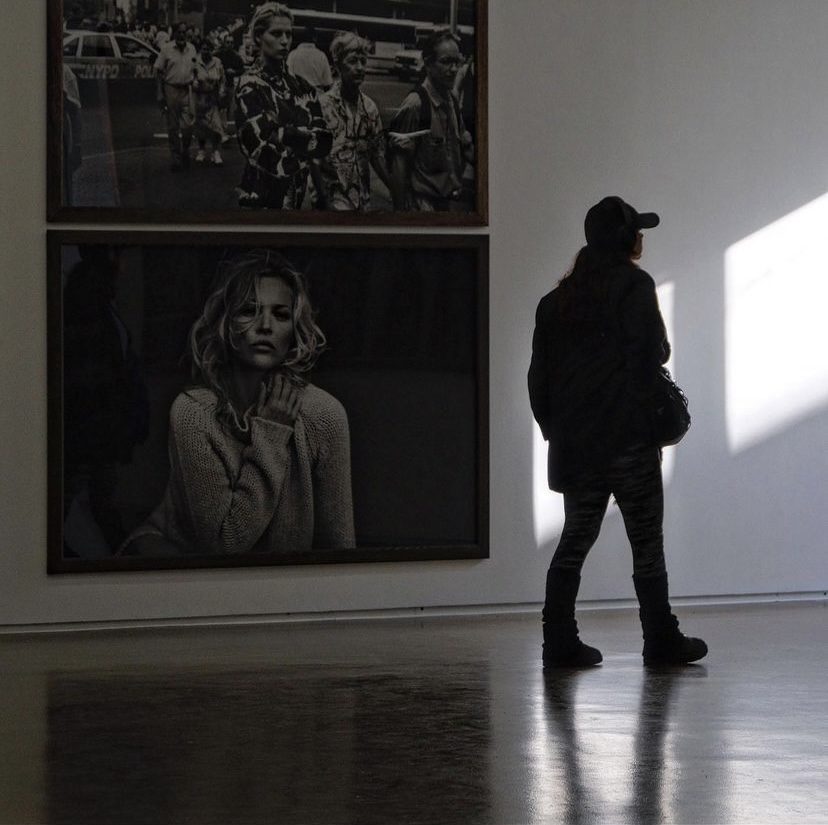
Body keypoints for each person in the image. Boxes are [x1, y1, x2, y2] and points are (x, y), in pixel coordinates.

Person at [528, 196, 708, 668]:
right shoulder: (634, 285)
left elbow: (538, 380)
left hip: (576, 447)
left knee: (575, 539)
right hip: (627, 441)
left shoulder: (554, 303)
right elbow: (653, 354)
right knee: (646, 542)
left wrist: (556, 431)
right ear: (626, 239)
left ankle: (558, 641)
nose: (642, 237)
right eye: (637, 231)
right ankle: (660, 639)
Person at [121, 249, 355, 557]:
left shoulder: (324, 415)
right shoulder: (193, 412)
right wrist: (271, 431)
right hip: (180, 564)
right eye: (248, 310)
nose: (265, 326)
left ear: (295, 329)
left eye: (281, 314)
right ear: (226, 324)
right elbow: (225, 545)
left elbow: (340, 552)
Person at [235, 3, 333, 209]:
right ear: (258, 37)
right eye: (276, 33)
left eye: (288, 34)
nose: (285, 41)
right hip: (260, 198)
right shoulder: (249, 85)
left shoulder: (301, 85)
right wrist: (306, 138)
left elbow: (324, 141)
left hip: (297, 197)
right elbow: (265, 154)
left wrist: (285, 134)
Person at [387, 29, 473, 212]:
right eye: (446, 62)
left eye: (457, 62)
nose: (454, 69)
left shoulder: (452, 101)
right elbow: (399, 166)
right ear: (428, 64)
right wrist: (401, 216)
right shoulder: (416, 104)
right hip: (421, 207)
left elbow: (465, 147)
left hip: (445, 205)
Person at [318, 32, 389, 211]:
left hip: (362, 203)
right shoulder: (323, 106)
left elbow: (377, 155)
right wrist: (323, 200)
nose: (359, 68)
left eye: (363, 61)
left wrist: (398, 192)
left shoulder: (369, 107)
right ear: (338, 65)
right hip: (331, 204)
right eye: (352, 61)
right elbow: (314, 161)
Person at [154, 23, 197, 171]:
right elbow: (158, 71)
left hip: (187, 90)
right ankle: (176, 157)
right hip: (171, 89)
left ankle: (185, 150)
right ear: (174, 34)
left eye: (184, 32)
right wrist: (160, 93)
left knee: (188, 126)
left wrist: (195, 81)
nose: (181, 35)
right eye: (179, 32)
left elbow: (195, 68)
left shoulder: (192, 49)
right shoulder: (166, 49)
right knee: (173, 126)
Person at [192, 39, 227, 165]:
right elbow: (192, 78)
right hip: (200, 97)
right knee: (201, 125)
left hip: (213, 97)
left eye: (208, 49)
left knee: (216, 126)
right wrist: (195, 83)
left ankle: (215, 152)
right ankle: (201, 151)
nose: (206, 51)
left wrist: (222, 91)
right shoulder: (195, 62)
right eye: (203, 49)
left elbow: (222, 79)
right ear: (200, 50)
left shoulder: (217, 62)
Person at [286, 25, 333, 92]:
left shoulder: (292, 55)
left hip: (298, 93)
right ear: (315, 38)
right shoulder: (321, 55)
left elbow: (288, 78)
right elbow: (328, 83)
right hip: (317, 93)